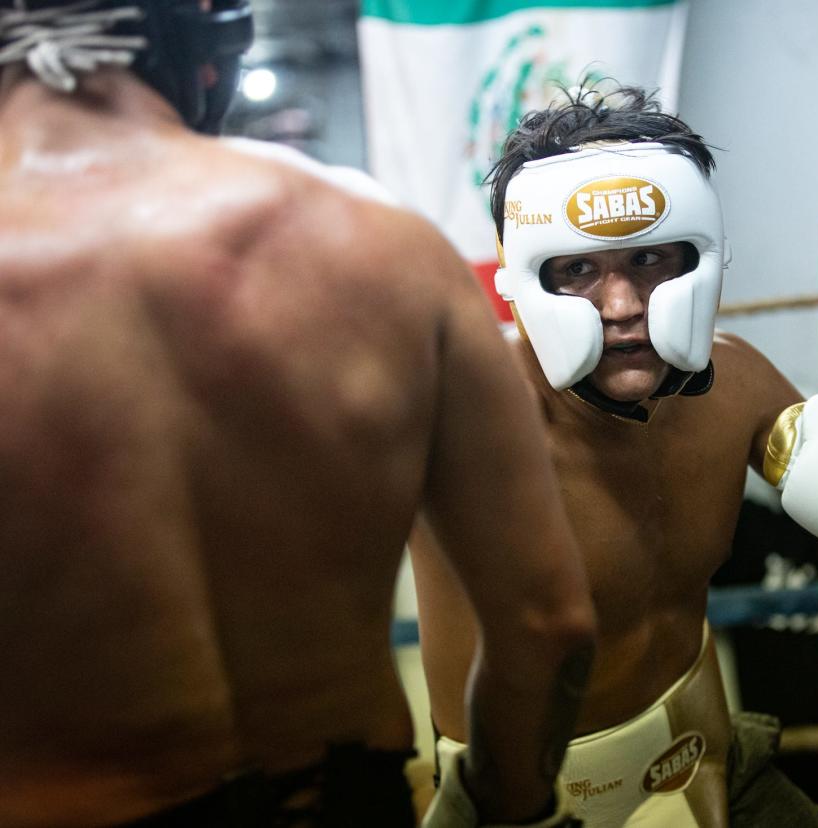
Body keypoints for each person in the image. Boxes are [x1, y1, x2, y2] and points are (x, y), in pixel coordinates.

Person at [0, 2, 596, 826]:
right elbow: (548, 623)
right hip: (346, 800)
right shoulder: (385, 248)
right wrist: (508, 805)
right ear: (210, 48)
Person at [409, 85, 818, 828]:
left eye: (651, 259)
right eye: (579, 270)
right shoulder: (457, 417)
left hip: (708, 768)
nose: (624, 304)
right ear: (522, 278)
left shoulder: (740, 384)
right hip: (516, 808)